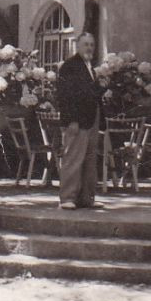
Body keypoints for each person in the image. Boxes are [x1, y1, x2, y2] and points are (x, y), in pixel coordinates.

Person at [55, 32, 103, 210]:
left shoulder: (90, 66)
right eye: (86, 44)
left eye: (92, 44)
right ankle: (67, 197)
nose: (89, 48)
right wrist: (72, 120)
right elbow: (65, 96)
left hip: (91, 119)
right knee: (73, 158)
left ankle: (86, 198)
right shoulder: (69, 66)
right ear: (77, 45)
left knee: (90, 160)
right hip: (77, 120)